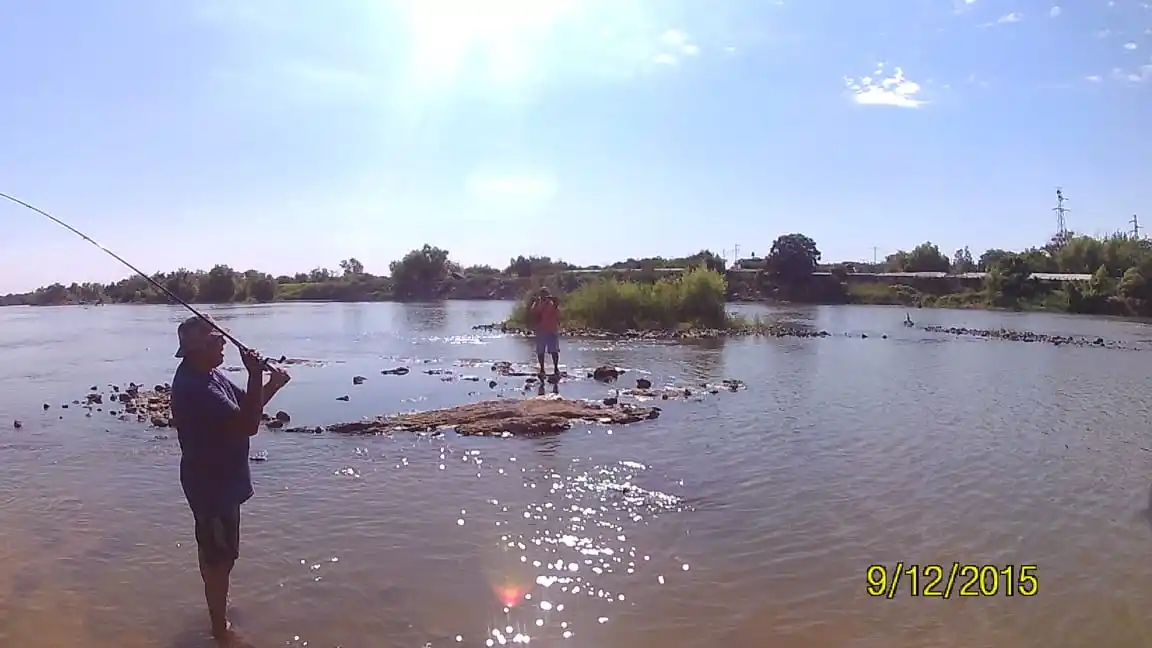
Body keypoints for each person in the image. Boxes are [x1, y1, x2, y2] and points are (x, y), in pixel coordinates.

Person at [168, 315, 291, 642]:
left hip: (222, 479)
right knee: (217, 557)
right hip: (210, 484)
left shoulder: (210, 374)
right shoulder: (195, 387)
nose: (224, 341)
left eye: (223, 336)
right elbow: (248, 424)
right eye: (215, 338)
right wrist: (253, 374)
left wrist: (271, 385)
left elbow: (247, 408)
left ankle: (217, 611)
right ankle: (218, 629)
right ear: (195, 349)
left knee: (224, 554)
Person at [529, 287, 561, 379]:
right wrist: (536, 301)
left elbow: (557, 302)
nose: (543, 296)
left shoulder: (552, 304)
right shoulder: (537, 304)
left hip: (552, 330)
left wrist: (549, 298)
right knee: (540, 351)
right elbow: (533, 313)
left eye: (545, 294)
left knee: (554, 351)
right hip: (541, 331)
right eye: (542, 294)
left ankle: (556, 368)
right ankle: (542, 369)